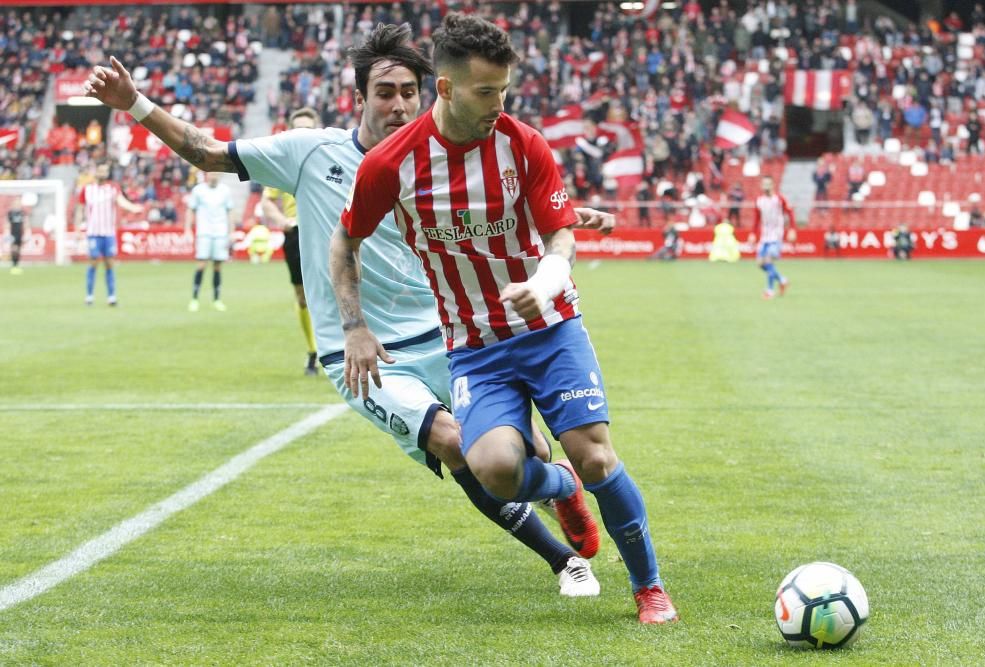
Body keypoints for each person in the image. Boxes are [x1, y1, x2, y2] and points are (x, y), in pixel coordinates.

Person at [84, 27, 609, 597]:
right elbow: (207, 152)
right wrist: (133, 104)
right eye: (384, 92)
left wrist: (564, 217)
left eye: (408, 91)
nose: (398, 104)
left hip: (450, 336)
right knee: (454, 442)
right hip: (361, 351)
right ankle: (564, 562)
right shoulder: (309, 152)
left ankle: (558, 484)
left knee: (521, 452)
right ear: (360, 98)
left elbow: (498, 217)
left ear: (432, 91)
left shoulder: (439, 157)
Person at [333, 14, 677, 624]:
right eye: (485, 92)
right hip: (474, 346)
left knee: (595, 455)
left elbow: (560, 233)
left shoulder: (522, 142)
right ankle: (561, 487)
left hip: (550, 329)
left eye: (504, 90)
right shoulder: (390, 165)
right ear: (445, 89)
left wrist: (547, 278)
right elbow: (345, 243)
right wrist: (355, 326)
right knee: (493, 470)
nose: (499, 104)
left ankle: (648, 587)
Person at [260, 107, 322, 375]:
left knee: (345, 290)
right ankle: (313, 351)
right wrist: (283, 221)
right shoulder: (282, 165)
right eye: (299, 129)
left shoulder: (330, 158)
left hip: (327, 232)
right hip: (296, 233)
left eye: (308, 128)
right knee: (302, 297)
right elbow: (267, 201)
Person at [74, 161, 143, 306]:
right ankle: (89, 296)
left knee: (109, 264)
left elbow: (122, 202)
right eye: (100, 170)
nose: (102, 174)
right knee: (93, 262)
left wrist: (134, 208)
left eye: (105, 171)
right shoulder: (87, 189)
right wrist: (78, 229)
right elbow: (79, 210)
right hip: (93, 232)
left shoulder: (112, 189)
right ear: (96, 172)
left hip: (108, 233)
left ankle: (111, 297)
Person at [185, 171, 236, 312]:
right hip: (204, 233)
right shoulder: (198, 190)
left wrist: (231, 232)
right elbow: (191, 210)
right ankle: (194, 298)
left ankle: (217, 299)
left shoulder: (225, 190)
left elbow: (230, 211)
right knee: (201, 264)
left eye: (216, 174)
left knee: (218, 266)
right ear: (207, 175)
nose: (214, 176)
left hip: (220, 233)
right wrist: (187, 229)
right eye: (211, 174)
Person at [750, 175, 794, 299]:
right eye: (764, 184)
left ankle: (769, 290)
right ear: (761, 186)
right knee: (760, 263)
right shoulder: (759, 201)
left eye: (768, 184)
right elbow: (757, 219)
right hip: (765, 237)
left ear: (773, 185)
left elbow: (790, 213)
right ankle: (782, 280)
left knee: (768, 260)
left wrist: (792, 229)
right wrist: (753, 233)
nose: (766, 186)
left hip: (776, 236)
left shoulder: (779, 199)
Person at [7, 198, 25, 275]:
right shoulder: (10, 213)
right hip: (13, 233)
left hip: (20, 233)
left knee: (18, 249)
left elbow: (25, 223)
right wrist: (7, 233)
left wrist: (27, 233)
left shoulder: (22, 213)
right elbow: (7, 223)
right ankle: (13, 265)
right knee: (14, 249)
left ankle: (16, 265)